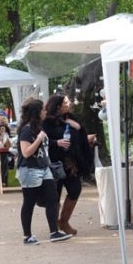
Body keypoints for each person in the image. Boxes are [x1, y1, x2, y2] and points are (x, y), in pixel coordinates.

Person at [15, 98, 72, 244]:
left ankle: (54, 232)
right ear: (37, 112)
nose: (45, 111)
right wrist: (39, 139)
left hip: (44, 167)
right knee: (29, 202)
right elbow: (26, 152)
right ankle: (27, 236)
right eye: (43, 109)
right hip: (29, 169)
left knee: (53, 199)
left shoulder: (39, 128)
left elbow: (44, 146)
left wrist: (54, 142)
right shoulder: (27, 130)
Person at [43, 94, 94, 236]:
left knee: (75, 189)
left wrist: (79, 128)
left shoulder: (71, 118)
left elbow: (77, 137)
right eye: (66, 102)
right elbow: (43, 140)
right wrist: (57, 142)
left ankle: (64, 221)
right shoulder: (47, 122)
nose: (69, 104)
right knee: (55, 195)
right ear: (58, 106)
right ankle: (54, 227)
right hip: (54, 163)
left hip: (71, 163)